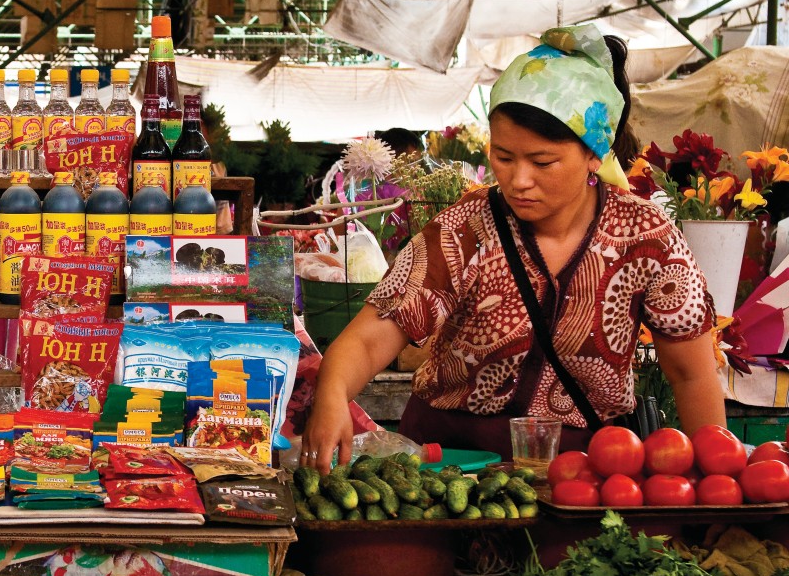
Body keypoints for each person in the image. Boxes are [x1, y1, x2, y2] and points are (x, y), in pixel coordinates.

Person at [302, 25, 725, 475]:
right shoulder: (465, 229)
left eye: (542, 162)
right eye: (503, 157)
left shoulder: (647, 237)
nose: (518, 180)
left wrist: (719, 478)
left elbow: (691, 373)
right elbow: (370, 339)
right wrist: (331, 395)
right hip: (450, 466)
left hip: (587, 473)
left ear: (594, 155)